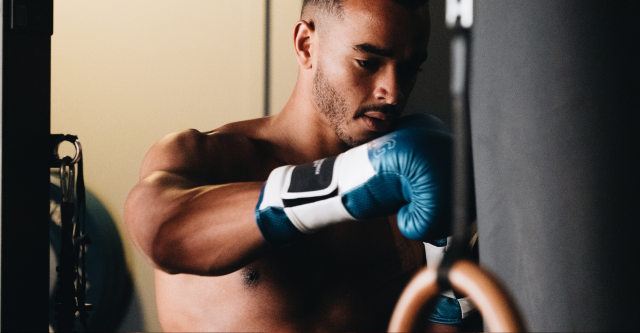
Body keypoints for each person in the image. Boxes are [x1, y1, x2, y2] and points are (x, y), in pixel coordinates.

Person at [125, 0, 470, 330]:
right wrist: (345, 184)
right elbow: (161, 233)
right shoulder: (210, 159)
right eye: (368, 62)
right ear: (306, 45)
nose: (392, 92)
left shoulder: (408, 183)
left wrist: (449, 264)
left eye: (410, 69)